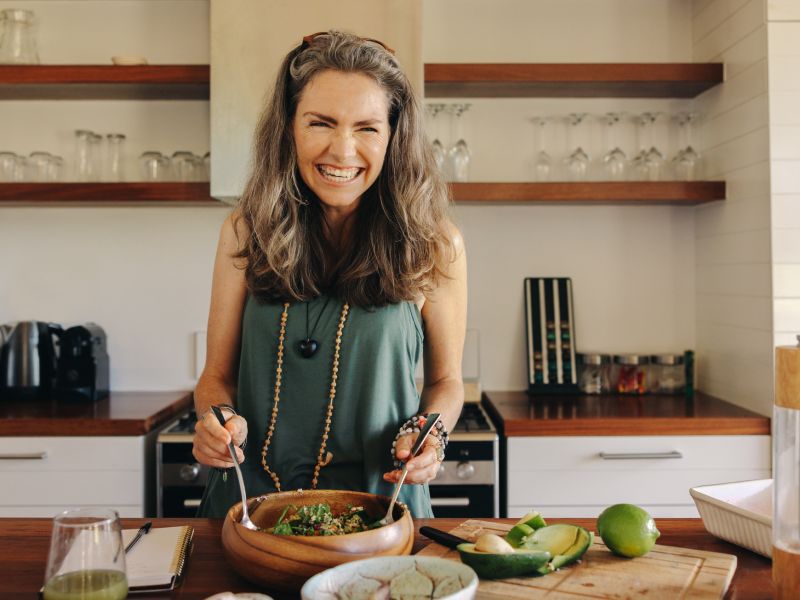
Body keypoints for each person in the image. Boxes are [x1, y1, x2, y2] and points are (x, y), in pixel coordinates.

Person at [192, 30, 467, 519]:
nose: (343, 150)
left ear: (393, 137)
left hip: (381, 509)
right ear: (289, 128)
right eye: (321, 123)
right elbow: (215, 377)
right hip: (250, 509)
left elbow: (446, 381)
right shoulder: (243, 230)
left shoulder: (435, 242)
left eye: (367, 128)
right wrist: (215, 420)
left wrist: (433, 433)